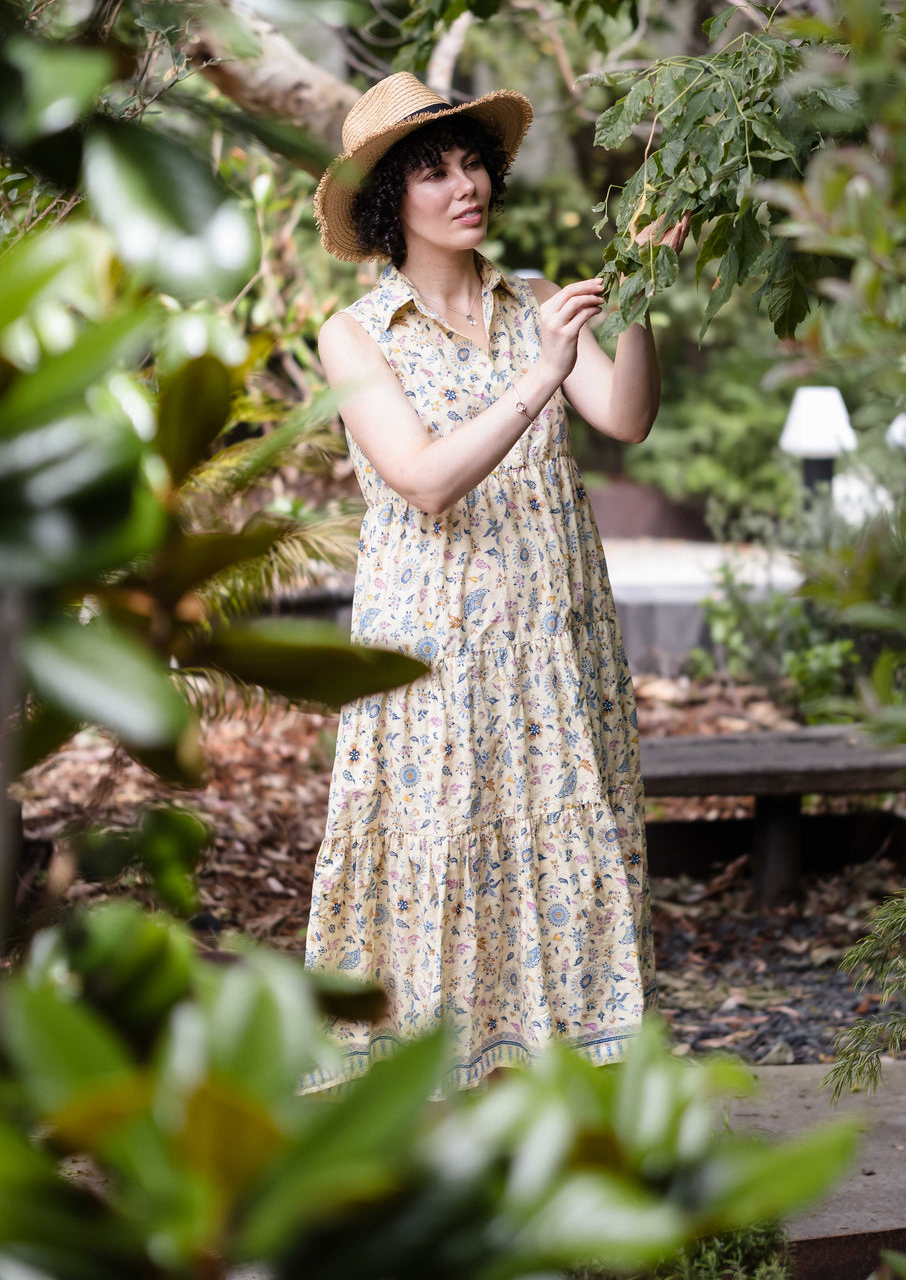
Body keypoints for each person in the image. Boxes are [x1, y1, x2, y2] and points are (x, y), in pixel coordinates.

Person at [302, 70, 689, 1096]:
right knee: (446, 855)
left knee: (567, 843)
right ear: (392, 201)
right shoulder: (356, 333)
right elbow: (424, 479)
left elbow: (626, 415)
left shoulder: (527, 298)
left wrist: (641, 297)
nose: (465, 182)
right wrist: (539, 372)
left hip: (554, 633)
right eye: (434, 170)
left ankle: (559, 1105)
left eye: (473, 159)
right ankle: (430, 1116)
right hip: (435, 645)